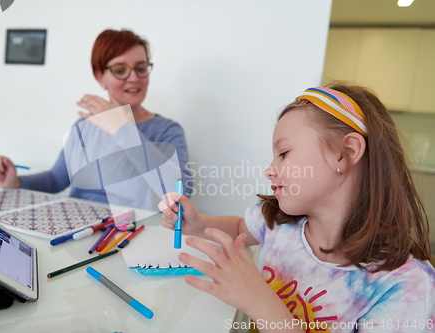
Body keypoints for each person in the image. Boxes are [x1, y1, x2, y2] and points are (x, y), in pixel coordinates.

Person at [159, 82, 435, 332]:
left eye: (283, 154)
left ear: (346, 152)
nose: (269, 170)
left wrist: (259, 302)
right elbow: (241, 229)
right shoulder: (280, 222)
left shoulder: (404, 285)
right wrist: (197, 223)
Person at [0, 29, 193, 210]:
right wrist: (15, 182)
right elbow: (56, 179)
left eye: (141, 68)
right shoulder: (84, 127)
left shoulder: (166, 130)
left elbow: (182, 192)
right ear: (99, 77)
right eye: (120, 70)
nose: (134, 78)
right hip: (80, 226)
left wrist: (123, 129)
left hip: (134, 232)